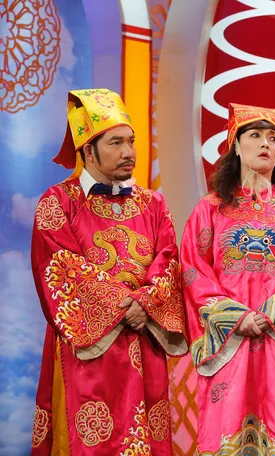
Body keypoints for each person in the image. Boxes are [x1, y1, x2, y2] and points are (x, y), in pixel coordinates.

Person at [30, 88, 188, 455]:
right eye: (116, 143)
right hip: (87, 348)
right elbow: (60, 267)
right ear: (88, 150)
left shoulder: (153, 203)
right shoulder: (58, 202)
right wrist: (125, 306)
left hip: (145, 341)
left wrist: (146, 302)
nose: (129, 152)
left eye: (131, 141)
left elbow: (169, 259)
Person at [181, 104, 275, 455]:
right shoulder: (211, 208)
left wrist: (274, 310)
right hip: (230, 341)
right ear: (235, 144)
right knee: (227, 424)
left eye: (273, 138)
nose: (265, 144)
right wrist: (236, 317)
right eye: (255, 135)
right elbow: (193, 269)